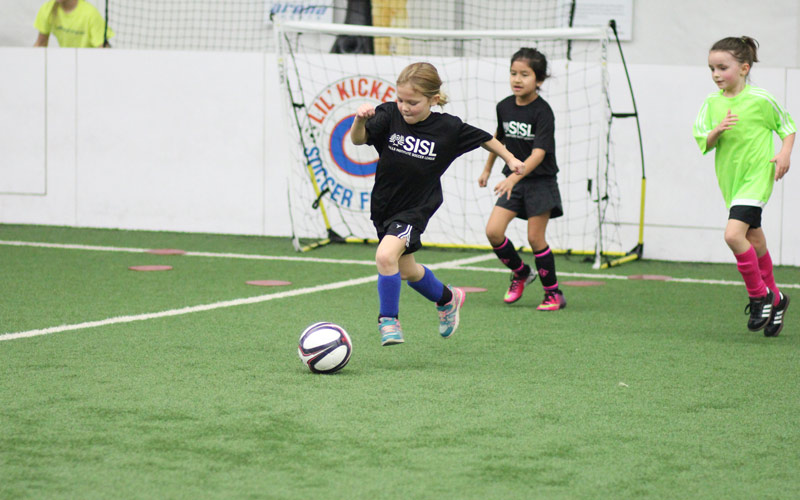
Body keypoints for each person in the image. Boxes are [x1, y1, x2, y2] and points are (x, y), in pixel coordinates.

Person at [350, 62, 526, 346]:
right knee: (406, 270)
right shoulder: (389, 114)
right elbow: (358, 140)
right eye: (401, 100)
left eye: (413, 102)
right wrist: (359, 119)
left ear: (433, 99)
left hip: (415, 208)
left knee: (385, 257)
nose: (405, 107)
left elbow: (486, 138)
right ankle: (448, 298)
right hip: (384, 205)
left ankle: (388, 320)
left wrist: (510, 159)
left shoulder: (448, 128)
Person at [693, 36, 795, 336]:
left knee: (733, 234)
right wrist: (717, 130)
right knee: (755, 240)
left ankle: (759, 294)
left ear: (744, 68)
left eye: (722, 67)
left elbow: (787, 128)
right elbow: (704, 141)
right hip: (731, 182)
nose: (715, 74)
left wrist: (784, 154)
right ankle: (777, 298)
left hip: (757, 177)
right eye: (711, 68)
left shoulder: (761, 99)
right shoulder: (711, 104)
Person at [478, 47, 566, 311]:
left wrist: (513, 180)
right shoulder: (504, 106)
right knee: (493, 232)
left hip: (540, 182)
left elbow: (539, 154)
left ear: (538, 80)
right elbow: (498, 140)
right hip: (512, 180)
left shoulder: (543, 112)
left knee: (535, 239)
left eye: (525, 75)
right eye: (513, 73)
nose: (517, 79)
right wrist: (487, 170)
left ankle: (553, 294)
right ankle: (520, 272)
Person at [34, 0, 114, 48]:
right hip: (68, 64)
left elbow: (103, 50)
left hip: (91, 64)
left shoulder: (90, 13)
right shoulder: (48, 9)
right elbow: (41, 43)